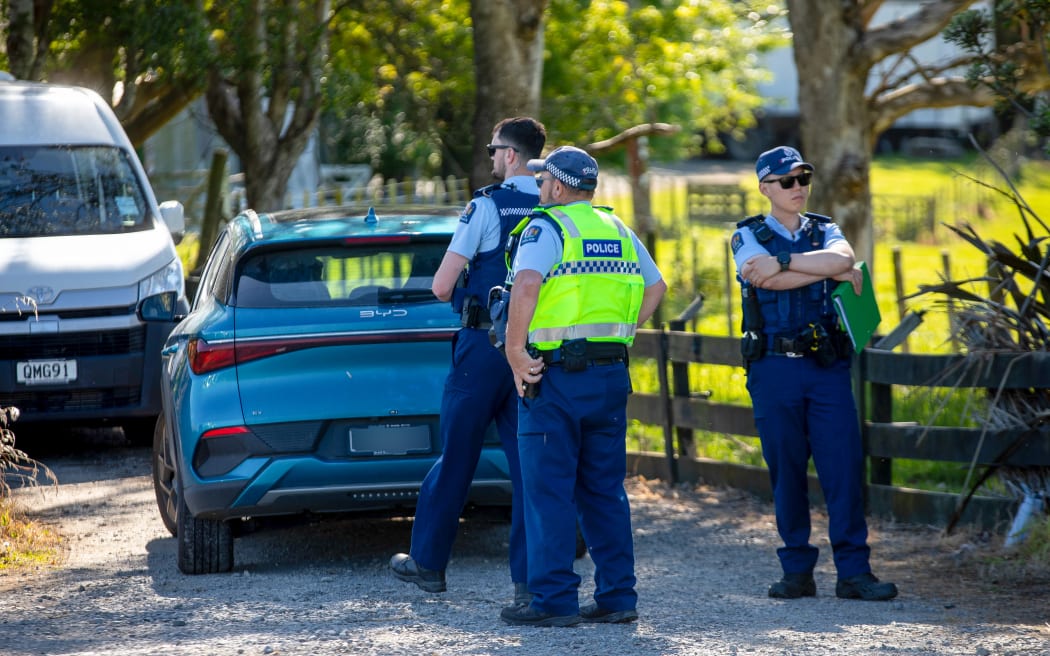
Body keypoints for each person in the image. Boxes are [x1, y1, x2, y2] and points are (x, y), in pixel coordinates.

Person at [497, 146, 667, 627]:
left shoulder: (545, 228)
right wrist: (619, 332)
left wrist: (514, 351)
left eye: (542, 180)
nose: (538, 187)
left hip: (553, 378)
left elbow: (526, 285)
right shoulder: (618, 230)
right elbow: (656, 287)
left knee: (549, 489)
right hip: (609, 374)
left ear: (558, 185)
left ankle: (553, 600)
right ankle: (617, 597)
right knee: (604, 490)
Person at [389, 117, 547, 606]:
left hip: (482, 347)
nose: (491, 157)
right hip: (534, 351)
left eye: (494, 149)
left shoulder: (485, 206)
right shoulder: (554, 206)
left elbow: (441, 286)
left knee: (457, 456)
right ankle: (529, 583)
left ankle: (428, 563)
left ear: (511, 155)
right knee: (529, 467)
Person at [731, 145, 898, 602]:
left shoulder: (826, 229)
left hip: (827, 369)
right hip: (773, 369)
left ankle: (854, 574)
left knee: (843, 468)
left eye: (803, 178)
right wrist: (822, 270)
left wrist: (786, 262)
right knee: (786, 471)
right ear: (765, 188)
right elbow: (762, 278)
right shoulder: (746, 234)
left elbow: (841, 260)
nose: (798, 187)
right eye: (786, 181)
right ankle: (797, 572)